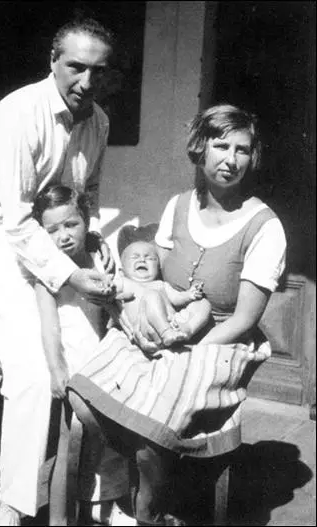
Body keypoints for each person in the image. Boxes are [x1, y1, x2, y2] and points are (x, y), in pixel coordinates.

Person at [67, 104, 287, 525]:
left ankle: (146, 507)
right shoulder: (178, 206)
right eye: (221, 146)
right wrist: (138, 316)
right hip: (168, 324)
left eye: (242, 149)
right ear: (200, 149)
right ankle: (121, 492)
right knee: (84, 395)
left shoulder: (264, 226)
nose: (230, 159)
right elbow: (158, 285)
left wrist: (183, 350)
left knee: (154, 409)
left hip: (222, 342)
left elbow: (243, 319)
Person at [0, 17, 121, 526]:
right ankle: (11, 506)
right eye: (76, 67)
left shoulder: (98, 122)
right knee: (31, 374)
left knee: (99, 366)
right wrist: (70, 275)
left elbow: (85, 196)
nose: (86, 82)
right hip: (0, 241)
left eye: (98, 71)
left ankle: (102, 498)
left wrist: (92, 245)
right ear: (53, 61)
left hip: (58, 244)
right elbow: (14, 219)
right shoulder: (18, 113)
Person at [33, 185, 131, 526]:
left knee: (112, 440)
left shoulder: (98, 257)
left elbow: (111, 311)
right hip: (73, 367)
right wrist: (56, 368)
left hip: (103, 364)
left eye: (71, 224)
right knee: (69, 445)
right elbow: (49, 326)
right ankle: (60, 518)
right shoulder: (48, 272)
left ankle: (106, 506)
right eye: (53, 229)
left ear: (86, 222)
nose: (63, 236)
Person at [114, 225, 212, 348]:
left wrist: (190, 295)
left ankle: (188, 330)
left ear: (158, 267)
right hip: (147, 329)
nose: (142, 260)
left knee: (203, 304)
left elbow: (177, 298)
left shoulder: (160, 284)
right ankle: (166, 333)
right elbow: (108, 290)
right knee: (151, 295)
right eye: (135, 257)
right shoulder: (125, 283)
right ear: (122, 271)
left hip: (175, 323)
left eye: (149, 258)